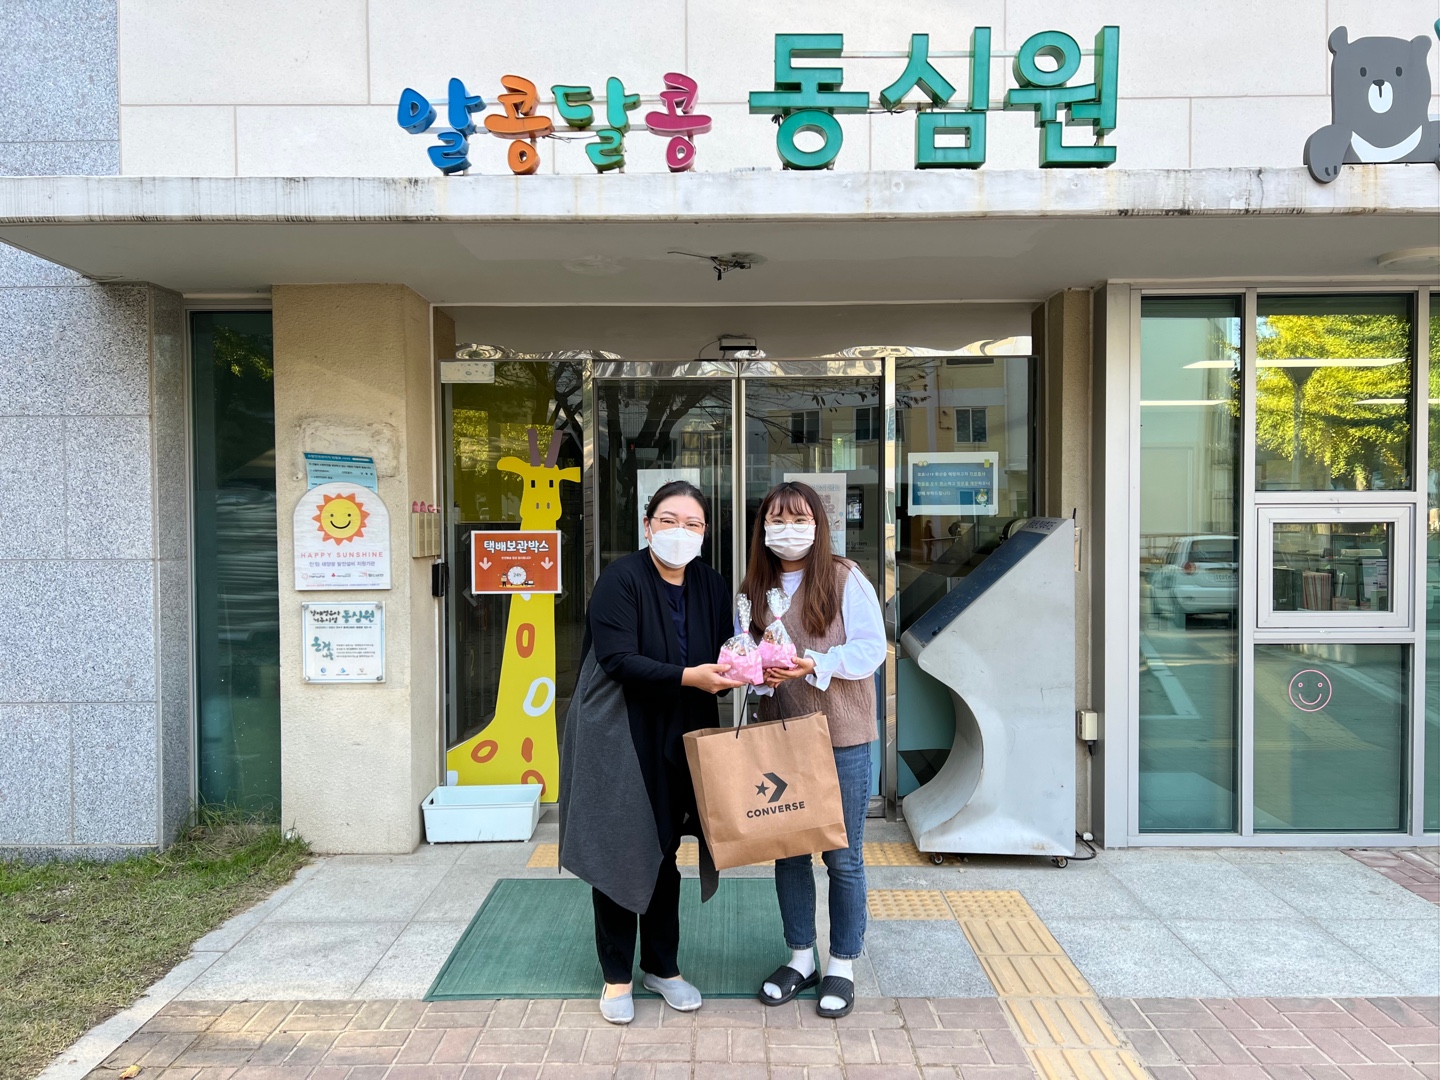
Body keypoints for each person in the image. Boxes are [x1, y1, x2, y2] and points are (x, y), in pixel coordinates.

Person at [558, 480, 744, 1025]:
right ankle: (616, 977)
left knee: (664, 849)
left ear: (704, 533)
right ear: (647, 526)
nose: (679, 532)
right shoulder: (620, 579)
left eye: (692, 523)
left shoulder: (710, 583)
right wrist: (691, 677)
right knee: (621, 847)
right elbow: (617, 660)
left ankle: (662, 967)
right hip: (621, 731)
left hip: (684, 729)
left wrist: (752, 668)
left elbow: (726, 651)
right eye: (668, 520)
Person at [742, 481, 885, 1020]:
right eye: (777, 520)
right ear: (763, 528)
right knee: (789, 851)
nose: (788, 529)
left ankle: (842, 962)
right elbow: (749, 654)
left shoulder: (845, 577)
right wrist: (757, 674)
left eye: (799, 519)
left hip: (840, 736)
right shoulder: (755, 586)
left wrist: (814, 664)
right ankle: (801, 957)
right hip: (782, 736)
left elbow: (872, 649)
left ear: (818, 525)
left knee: (843, 856)